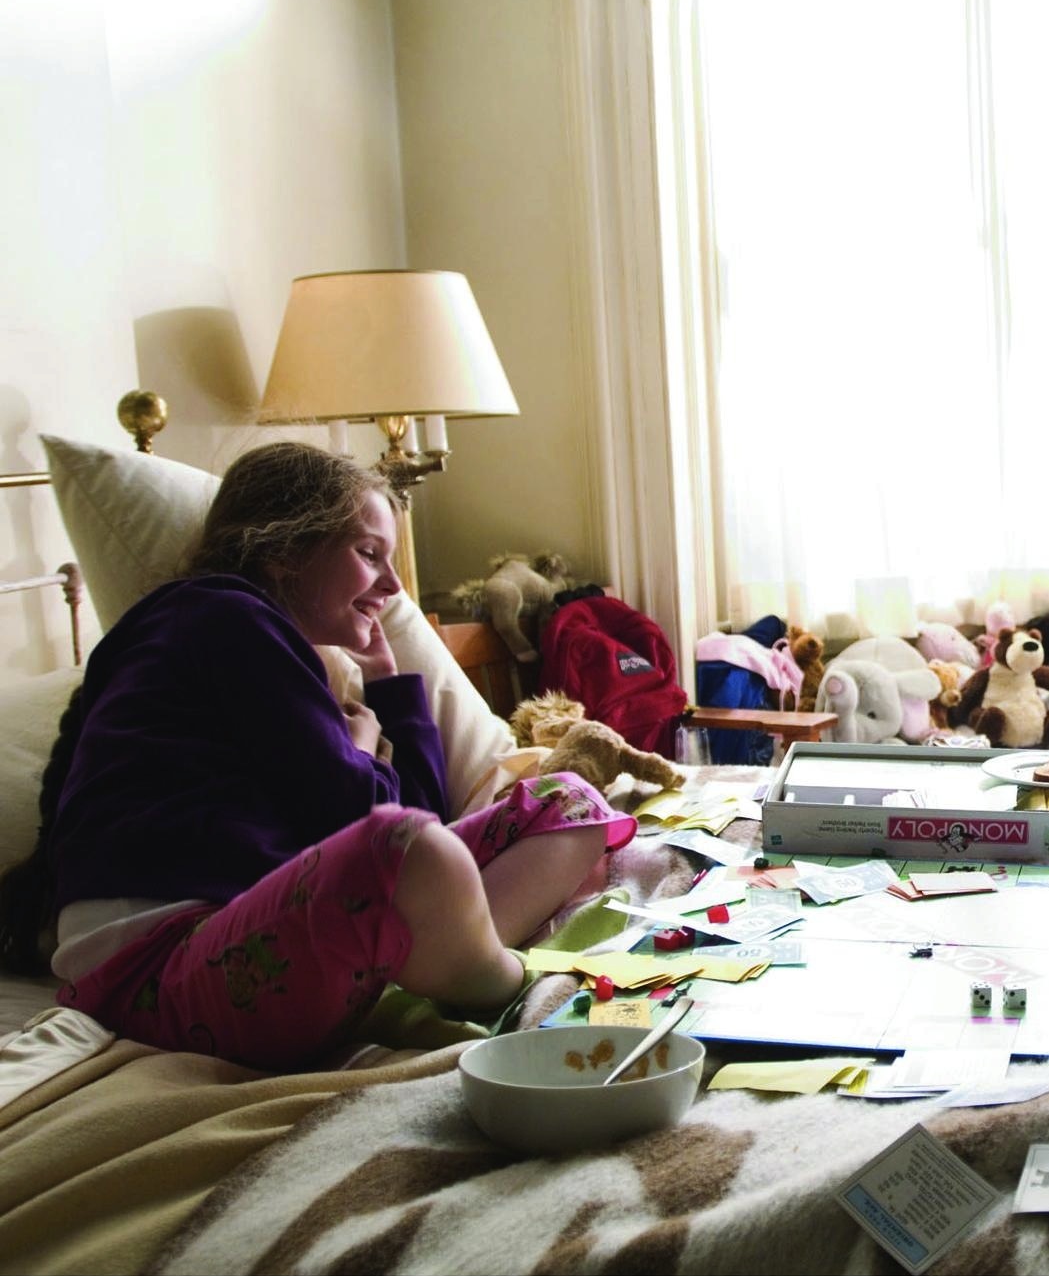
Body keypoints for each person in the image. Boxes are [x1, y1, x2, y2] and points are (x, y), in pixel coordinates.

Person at [0, 442, 632, 1069]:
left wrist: (388, 687)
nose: (390, 585)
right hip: (164, 968)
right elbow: (370, 823)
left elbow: (419, 816)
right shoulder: (224, 618)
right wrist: (359, 748)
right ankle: (500, 987)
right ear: (282, 552)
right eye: (368, 555)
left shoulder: (240, 639)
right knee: (409, 848)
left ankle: (434, 975)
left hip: (251, 941)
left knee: (572, 802)